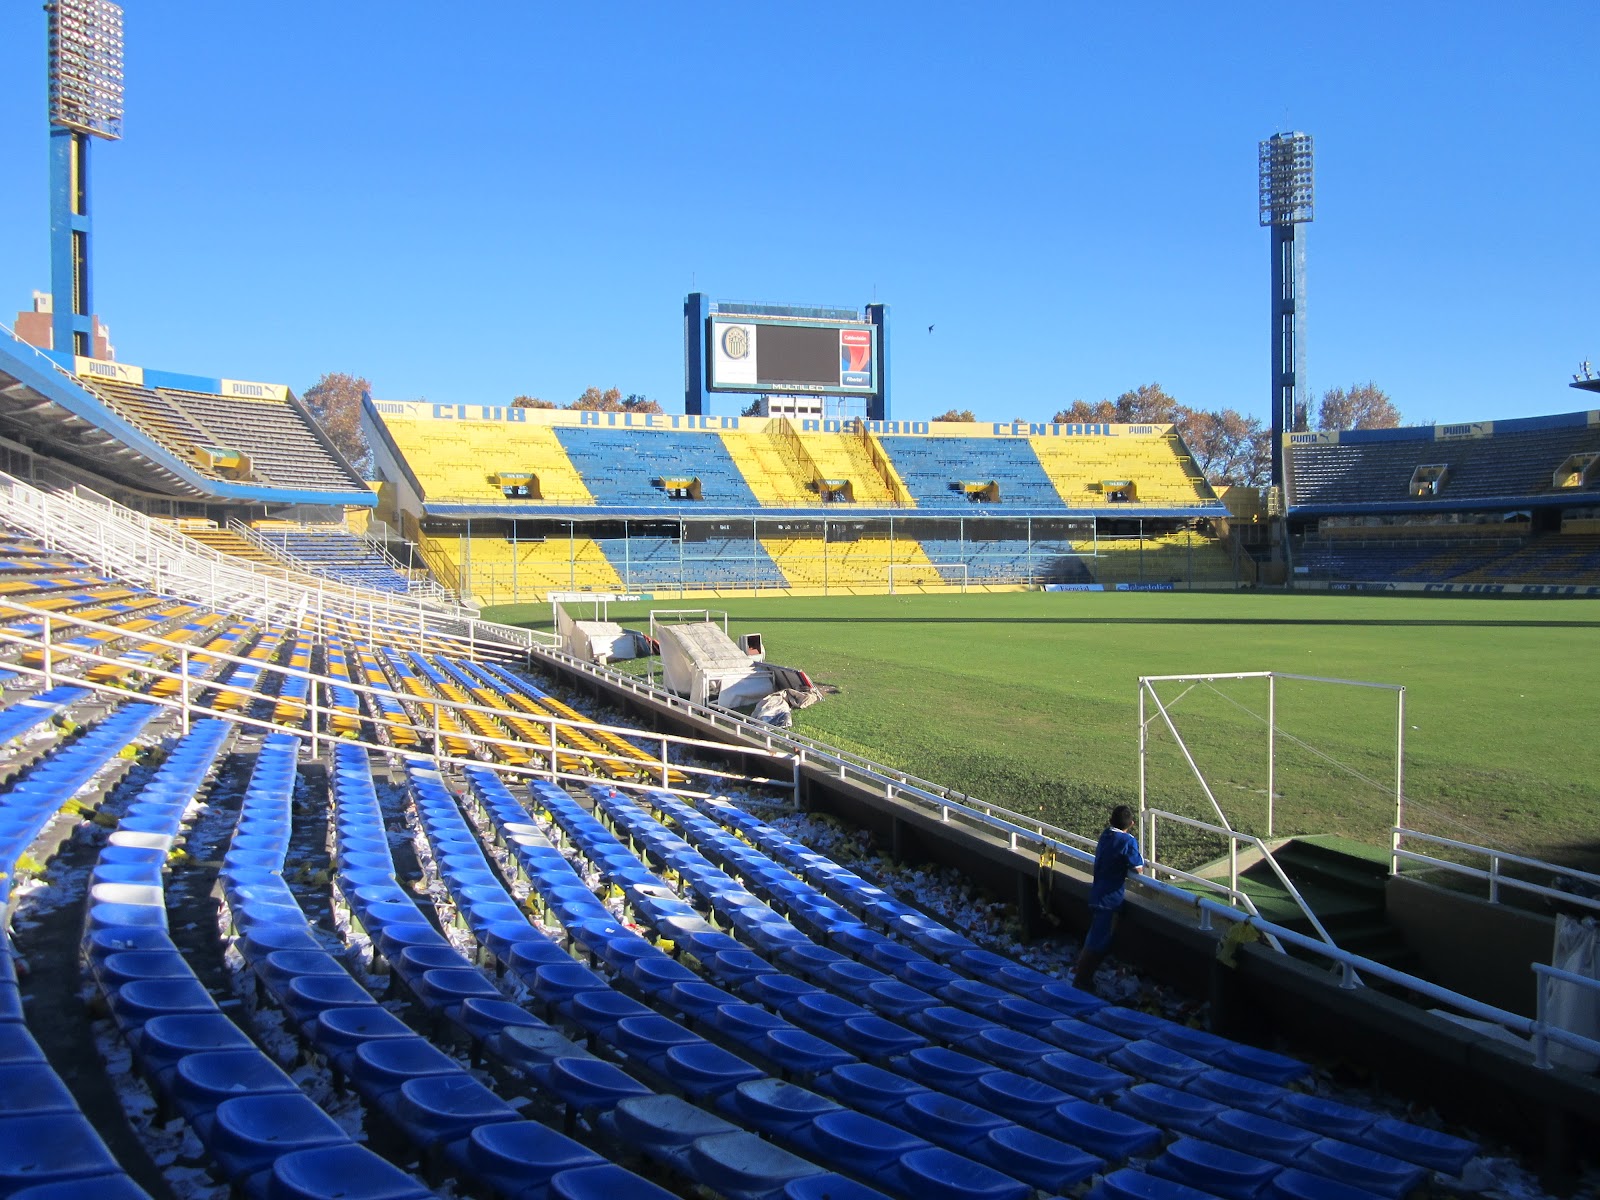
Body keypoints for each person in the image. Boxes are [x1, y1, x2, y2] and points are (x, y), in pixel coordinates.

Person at [1071, 804, 1145, 990]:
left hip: (1097, 893)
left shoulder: (1105, 835)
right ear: (1131, 824)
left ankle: (1082, 978)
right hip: (1110, 900)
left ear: (1110, 821)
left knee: (1095, 939)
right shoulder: (1127, 840)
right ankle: (1081, 981)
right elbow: (1138, 868)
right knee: (1096, 942)